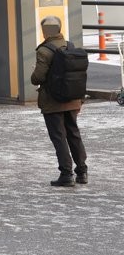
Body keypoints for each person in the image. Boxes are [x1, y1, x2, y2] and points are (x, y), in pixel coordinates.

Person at [30, 15, 88, 187]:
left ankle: (66, 173)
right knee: (73, 134)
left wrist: (35, 72)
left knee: (59, 137)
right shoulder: (70, 46)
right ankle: (82, 171)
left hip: (53, 101)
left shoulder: (44, 50)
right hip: (72, 99)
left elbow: (37, 77)